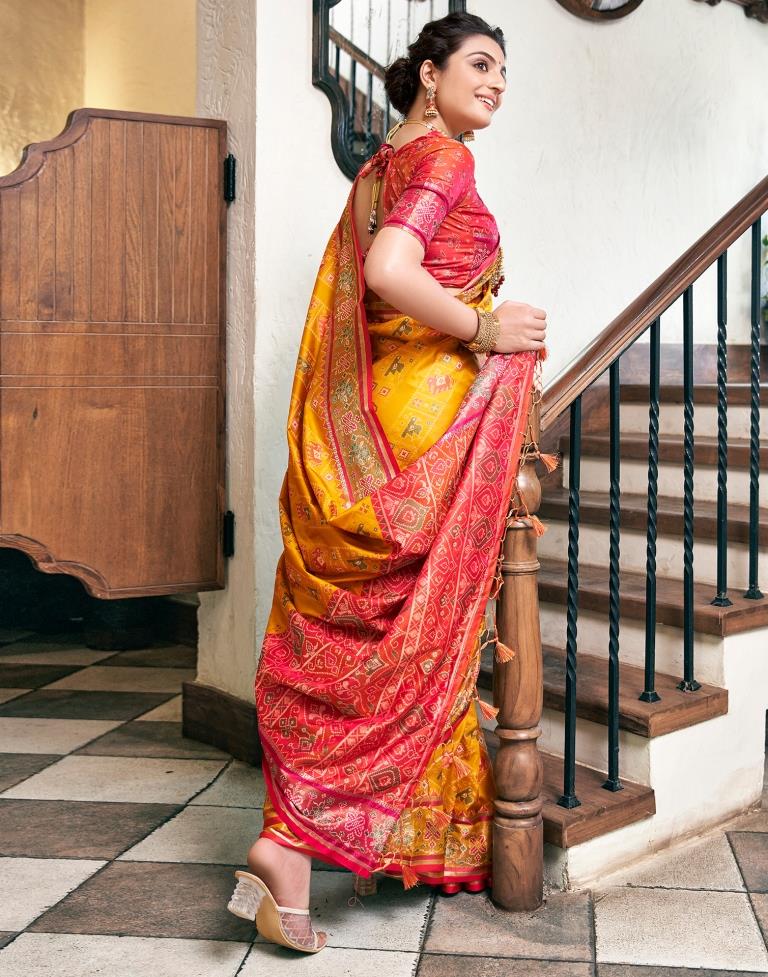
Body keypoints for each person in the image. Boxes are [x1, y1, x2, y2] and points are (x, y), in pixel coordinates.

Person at [227, 12, 548, 953]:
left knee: (390, 637)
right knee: (413, 638)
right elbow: (389, 270)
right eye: (480, 65)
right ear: (428, 74)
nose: (495, 84)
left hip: (381, 420)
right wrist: (486, 330)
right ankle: (292, 844)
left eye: (504, 71)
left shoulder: (378, 170)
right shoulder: (443, 162)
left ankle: (294, 850)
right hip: (425, 426)